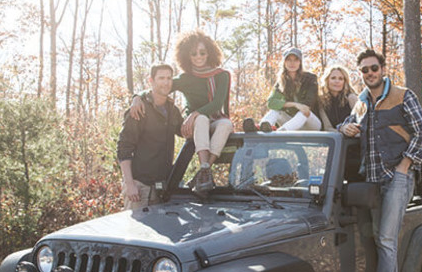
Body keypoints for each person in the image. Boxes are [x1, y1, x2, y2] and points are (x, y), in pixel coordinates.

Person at [338, 49, 422, 272]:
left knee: (386, 238)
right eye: (364, 70)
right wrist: (344, 128)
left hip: (398, 177)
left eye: (373, 68)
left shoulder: (403, 95)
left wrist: (405, 166)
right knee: (381, 238)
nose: (369, 74)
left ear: (383, 68)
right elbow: (347, 123)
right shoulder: (363, 101)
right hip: (373, 180)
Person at [130, 30, 234, 192]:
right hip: (196, 125)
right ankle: (205, 168)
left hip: (215, 119)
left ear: (209, 54)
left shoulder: (222, 76)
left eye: (202, 53)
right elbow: (158, 89)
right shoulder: (185, 79)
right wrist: (137, 97)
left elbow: (217, 103)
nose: (198, 57)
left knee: (226, 124)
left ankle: (204, 170)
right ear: (186, 56)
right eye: (193, 53)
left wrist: (194, 113)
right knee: (201, 120)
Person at [117, 64, 183, 210]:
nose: (166, 82)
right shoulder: (139, 109)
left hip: (163, 189)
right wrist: (130, 184)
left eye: (169, 78)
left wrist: (201, 119)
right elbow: (124, 148)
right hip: (140, 188)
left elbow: (185, 132)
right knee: (135, 233)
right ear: (151, 81)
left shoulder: (173, 110)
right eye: (161, 78)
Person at [245, 47, 321, 132]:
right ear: (284, 62)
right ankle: (260, 128)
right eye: (289, 60)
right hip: (291, 123)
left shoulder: (310, 78)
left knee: (303, 111)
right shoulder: (281, 82)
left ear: (300, 62)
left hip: (311, 122)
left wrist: (287, 104)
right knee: (276, 111)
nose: (292, 63)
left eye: (296, 60)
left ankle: (280, 133)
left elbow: (308, 103)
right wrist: (294, 104)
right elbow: (271, 103)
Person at [319, 65, 358, 131]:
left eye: (340, 79)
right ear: (327, 80)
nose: (337, 81)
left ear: (344, 81)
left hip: (354, 137)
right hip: (333, 137)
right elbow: (327, 127)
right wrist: (341, 129)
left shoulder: (351, 98)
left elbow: (362, 122)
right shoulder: (321, 101)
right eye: (333, 78)